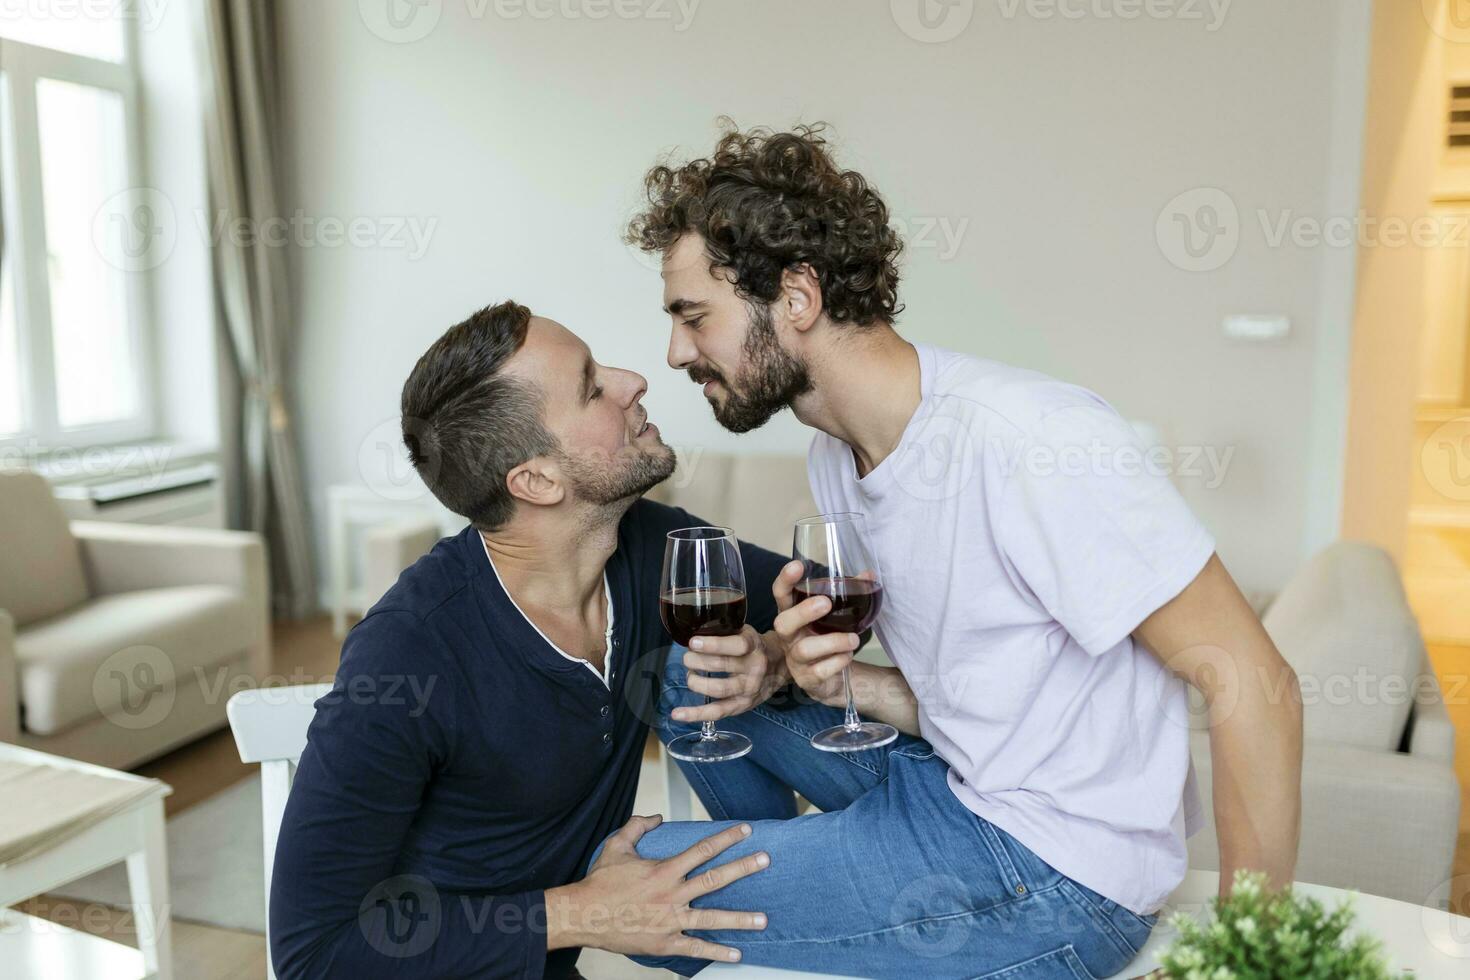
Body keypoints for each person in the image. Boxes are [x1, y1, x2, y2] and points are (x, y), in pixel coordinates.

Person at [611, 122, 1305, 977]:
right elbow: (976, 698)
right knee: (689, 677)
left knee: (635, 884)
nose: (677, 351)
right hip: (954, 788)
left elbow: (1253, 681)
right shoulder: (838, 452)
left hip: (1055, 871)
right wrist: (789, 668)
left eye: (693, 317)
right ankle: (824, 915)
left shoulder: (1031, 440)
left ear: (797, 296)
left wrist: (1253, 960)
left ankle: (819, 913)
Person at [269, 302, 788, 979]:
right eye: (593, 386)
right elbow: (313, 954)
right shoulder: (407, 657)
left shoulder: (655, 549)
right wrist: (580, 913)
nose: (635, 380)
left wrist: (775, 661)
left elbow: (823, 598)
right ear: (537, 480)